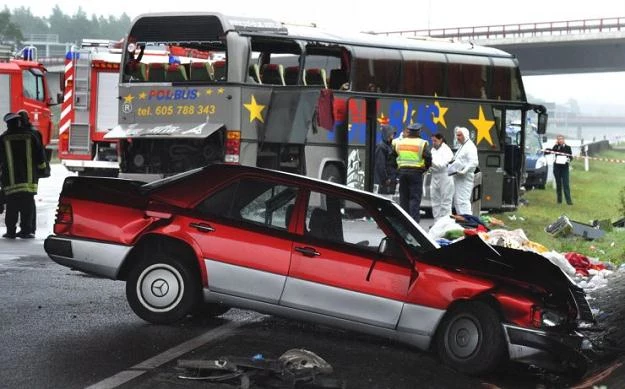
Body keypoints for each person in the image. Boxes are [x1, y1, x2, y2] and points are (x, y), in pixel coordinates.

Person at [0, 112, 48, 239]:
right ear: (19, 122)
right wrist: (42, 169)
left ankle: (10, 231)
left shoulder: (3, 138)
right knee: (27, 206)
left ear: (8, 124)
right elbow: (40, 155)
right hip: (29, 180)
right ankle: (26, 231)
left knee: (12, 207)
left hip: (10, 181)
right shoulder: (31, 136)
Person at [17, 109, 49, 235]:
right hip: (32, 173)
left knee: (27, 200)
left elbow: (39, 153)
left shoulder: (30, 134)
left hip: (28, 173)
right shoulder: (35, 133)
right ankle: (29, 228)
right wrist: (42, 169)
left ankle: (27, 228)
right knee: (29, 200)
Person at [393, 122, 431, 222]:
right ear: (418, 132)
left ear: (409, 132)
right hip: (416, 173)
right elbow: (428, 157)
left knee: (403, 197)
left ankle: (404, 221)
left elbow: (393, 156)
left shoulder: (399, 142)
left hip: (402, 173)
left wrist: (397, 169)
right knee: (415, 198)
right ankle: (414, 221)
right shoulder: (422, 143)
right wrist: (425, 168)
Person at [448, 126, 479, 216]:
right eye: (457, 135)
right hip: (458, 178)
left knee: (463, 201)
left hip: (465, 178)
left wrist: (464, 171)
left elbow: (474, 162)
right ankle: (463, 221)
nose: (458, 137)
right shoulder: (463, 146)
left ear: (465, 135)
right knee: (457, 201)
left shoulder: (470, 147)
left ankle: (469, 222)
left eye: (460, 135)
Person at [430, 133, 454, 220]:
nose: (433, 142)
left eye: (435, 141)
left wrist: (430, 162)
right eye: (432, 141)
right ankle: (437, 222)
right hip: (435, 176)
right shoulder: (433, 150)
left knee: (445, 202)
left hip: (445, 177)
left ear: (441, 140)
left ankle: (446, 223)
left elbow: (442, 165)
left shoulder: (446, 150)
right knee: (435, 201)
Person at [547, 134, 573, 205]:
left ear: (564, 140)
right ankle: (559, 200)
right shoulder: (556, 147)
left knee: (566, 184)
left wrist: (568, 159)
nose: (560, 140)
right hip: (557, 168)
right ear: (557, 140)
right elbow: (551, 151)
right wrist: (556, 145)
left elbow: (571, 157)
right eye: (559, 139)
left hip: (565, 168)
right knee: (558, 184)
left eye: (561, 139)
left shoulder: (568, 147)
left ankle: (569, 201)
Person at [373, 125, 398, 195]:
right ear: (387, 134)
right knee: (384, 201)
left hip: (389, 181)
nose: (393, 135)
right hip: (384, 183)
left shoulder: (389, 146)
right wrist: (386, 178)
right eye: (391, 133)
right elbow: (380, 165)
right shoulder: (381, 147)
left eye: (393, 133)